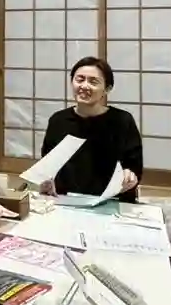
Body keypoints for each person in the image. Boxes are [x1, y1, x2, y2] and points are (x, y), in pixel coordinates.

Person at [38, 57, 143, 203]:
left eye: (93, 82)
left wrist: (130, 176)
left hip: (111, 201)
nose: (84, 86)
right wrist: (46, 182)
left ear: (107, 89)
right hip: (66, 200)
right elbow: (47, 162)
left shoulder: (122, 121)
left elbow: (133, 166)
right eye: (80, 80)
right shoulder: (58, 120)